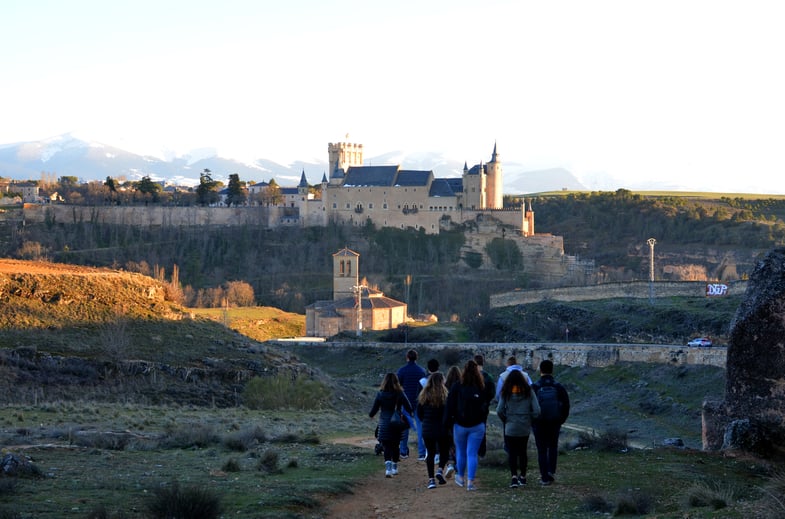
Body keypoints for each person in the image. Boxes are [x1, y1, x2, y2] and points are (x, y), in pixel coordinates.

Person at [444, 359, 488, 491]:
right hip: (477, 425)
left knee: (461, 452)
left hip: (460, 424)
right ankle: (470, 482)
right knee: (472, 453)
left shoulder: (457, 386)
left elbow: (449, 406)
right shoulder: (481, 387)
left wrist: (447, 422)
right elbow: (485, 407)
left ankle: (460, 477)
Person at [496, 369, 540, 488]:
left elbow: (499, 410)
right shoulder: (529, 391)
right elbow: (537, 410)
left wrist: (506, 420)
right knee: (522, 452)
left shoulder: (506, 392)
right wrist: (529, 420)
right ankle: (523, 477)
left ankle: (514, 477)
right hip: (524, 426)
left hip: (510, 426)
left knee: (512, 453)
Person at [531, 359, 570, 486]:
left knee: (541, 449)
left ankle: (544, 477)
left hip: (539, 422)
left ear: (540, 370)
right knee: (553, 446)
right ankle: (551, 471)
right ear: (552, 370)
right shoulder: (558, 387)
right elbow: (566, 405)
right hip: (554, 422)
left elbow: (529, 406)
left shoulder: (535, 387)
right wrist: (561, 420)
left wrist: (533, 421)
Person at [369, 373, 414, 478]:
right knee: (395, 445)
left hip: (384, 423)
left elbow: (374, 410)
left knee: (386, 446)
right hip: (396, 423)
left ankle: (388, 469)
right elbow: (409, 407)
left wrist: (371, 415)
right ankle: (394, 467)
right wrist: (405, 415)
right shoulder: (400, 393)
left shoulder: (380, 394)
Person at [417, 372, 451, 489]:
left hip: (427, 428)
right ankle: (440, 470)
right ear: (442, 381)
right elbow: (448, 413)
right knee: (444, 451)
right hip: (442, 428)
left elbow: (419, 413)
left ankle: (431, 480)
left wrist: (425, 421)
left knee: (430, 453)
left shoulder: (424, 395)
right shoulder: (445, 395)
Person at [397, 349, 427, 460]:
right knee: (420, 428)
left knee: (404, 427)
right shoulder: (421, 371)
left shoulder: (402, 371)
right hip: (418, 402)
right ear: (416, 358)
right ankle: (421, 453)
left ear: (407, 357)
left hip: (405, 402)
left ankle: (403, 451)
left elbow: (398, 387)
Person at [473, 354, 495, 457]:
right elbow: (492, 392)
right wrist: (487, 401)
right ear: (483, 363)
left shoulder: (470, 376)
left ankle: (472, 451)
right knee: (482, 429)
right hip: (484, 407)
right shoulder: (489, 376)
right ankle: (482, 452)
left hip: (471, 407)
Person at [442, 365, 461, 478]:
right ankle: (459, 466)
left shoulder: (446, 387)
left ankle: (450, 463)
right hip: (459, 418)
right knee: (459, 443)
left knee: (449, 442)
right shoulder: (460, 386)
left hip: (448, 418)